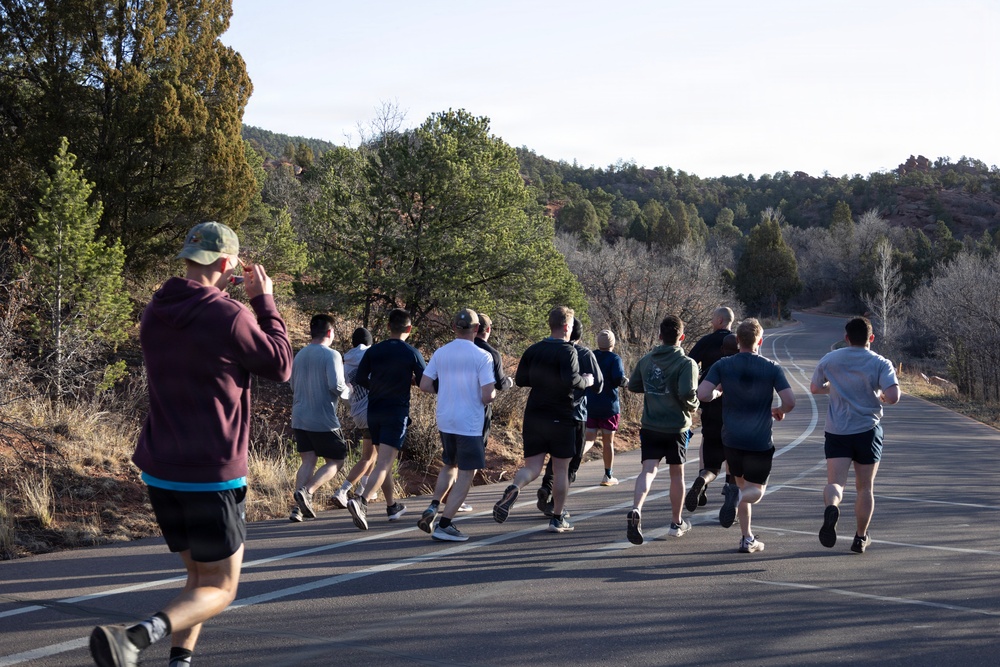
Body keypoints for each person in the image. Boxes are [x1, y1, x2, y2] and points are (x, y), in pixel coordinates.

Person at [90, 222, 292, 667]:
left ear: (187, 257)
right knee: (221, 587)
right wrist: (264, 301)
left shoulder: (154, 309)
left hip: (161, 468)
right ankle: (136, 638)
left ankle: (179, 662)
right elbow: (280, 365)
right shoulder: (230, 315)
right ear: (226, 265)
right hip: (211, 471)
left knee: (198, 580)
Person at [698, 318, 795, 554]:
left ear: (738, 340)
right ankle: (737, 500)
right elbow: (790, 401)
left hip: (731, 439)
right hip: (759, 441)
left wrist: (716, 395)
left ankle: (746, 538)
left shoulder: (723, 364)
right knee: (755, 492)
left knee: (739, 484)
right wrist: (779, 411)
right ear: (759, 341)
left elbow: (702, 393)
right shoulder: (771, 367)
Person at [493, 306, 593, 533]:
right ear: (567, 326)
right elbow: (572, 379)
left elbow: (521, 379)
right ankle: (557, 518)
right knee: (561, 469)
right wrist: (586, 380)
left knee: (532, 467)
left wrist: (543, 380)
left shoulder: (534, 349)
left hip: (535, 414)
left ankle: (515, 486)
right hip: (561, 417)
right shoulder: (568, 351)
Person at [810, 316, 900, 554]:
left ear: (846, 338)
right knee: (865, 488)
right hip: (867, 431)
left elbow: (815, 387)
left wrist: (833, 387)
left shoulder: (831, 359)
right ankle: (860, 537)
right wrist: (881, 397)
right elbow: (893, 396)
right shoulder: (881, 362)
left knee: (835, 483)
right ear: (871, 338)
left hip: (837, 430)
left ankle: (832, 505)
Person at [416, 309, 497, 541]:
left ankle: (433, 506)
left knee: (449, 465)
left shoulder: (441, 352)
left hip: (446, 418)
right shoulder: (482, 356)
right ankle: (445, 524)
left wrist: (445, 392)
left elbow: (424, 384)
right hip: (468, 422)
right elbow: (488, 395)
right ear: (476, 329)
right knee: (466, 474)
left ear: (454, 328)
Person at [347, 308, 426, 530]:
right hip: (395, 412)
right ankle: (361, 501)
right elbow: (423, 382)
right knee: (383, 463)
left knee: (384, 461)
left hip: (374, 411)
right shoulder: (411, 352)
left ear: (388, 327)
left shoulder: (374, 351)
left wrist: (378, 386)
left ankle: (392, 506)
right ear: (409, 329)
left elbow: (361, 378)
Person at [625, 316, 699, 545]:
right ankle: (676, 522)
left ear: (659, 336)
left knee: (648, 469)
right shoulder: (687, 363)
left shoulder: (647, 360)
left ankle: (636, 508)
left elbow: (633, 385)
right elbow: (688, 392)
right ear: (682, 337)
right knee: (677, 473)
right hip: (676, 426)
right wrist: (694, 405)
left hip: (651, 424)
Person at [537, 317, 602, 516]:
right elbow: (599, 384)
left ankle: (547, 486)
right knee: (570, 464)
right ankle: (555, 504)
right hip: (576, 414)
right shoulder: (584, 353)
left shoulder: (547, 350)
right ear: (580, 334)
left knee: (557, 458)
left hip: (546, 413)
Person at [289, 315, 351, 522]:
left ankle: (298, 509)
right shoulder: (331, 355)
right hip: (323, 417)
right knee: (337, 460)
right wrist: (350, 392)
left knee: (308, 460)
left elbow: (292, 385)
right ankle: (308, 491)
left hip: (299, 416)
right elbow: (336, 386)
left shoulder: (299, 355)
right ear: (329, 332)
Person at [685, 307, 736, 513]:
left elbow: (689, 361)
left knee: (708, 439)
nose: (711, 321)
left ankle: (703, 479)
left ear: (720, 320)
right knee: (733, 446)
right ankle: (729, 486)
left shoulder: (706, 341)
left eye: (713, 318)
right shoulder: (738, 340)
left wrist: (696, 382)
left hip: (709, 398)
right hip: (733, 403)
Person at [331, 327, 387, 509]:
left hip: (358, 412)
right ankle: (342, 491)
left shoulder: (345, 363)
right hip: (372, 411)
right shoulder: (373, 357)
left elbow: (344, 391)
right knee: (367, 457)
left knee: (373, 455)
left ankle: (363, 488)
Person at [583, 329, 628, 486]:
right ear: (613, 343)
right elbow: (618, 378)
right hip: (609, 406)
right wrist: (626, 382)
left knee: (589, 438)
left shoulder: (590, 356)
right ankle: (608, 475)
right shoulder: (615, 358)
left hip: (590, 404)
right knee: (608, 441)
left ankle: (573, 462)